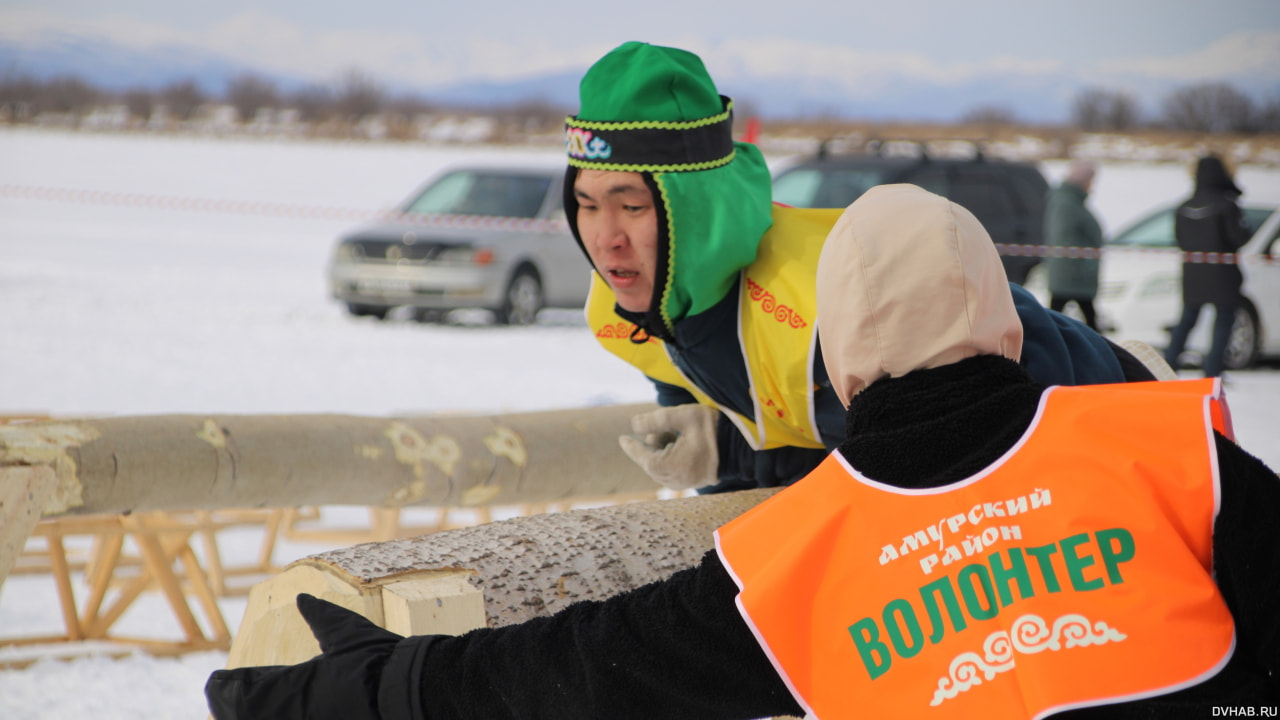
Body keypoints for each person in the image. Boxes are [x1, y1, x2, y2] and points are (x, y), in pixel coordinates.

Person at [205, 185, 1280, 720]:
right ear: (1008, 332)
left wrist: (333, 689)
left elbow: (557, 674)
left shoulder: (795, 560)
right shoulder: (1170, 448)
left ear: (839, 367)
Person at [563, 42, 1155, 496]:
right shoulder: (626, 309)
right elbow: (800, 468)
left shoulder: (826, 307)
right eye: (586, 206)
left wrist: (1144, 408)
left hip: (1109, 421)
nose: (605, 241)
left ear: (696, 213)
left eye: (633, 206)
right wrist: (720, 461)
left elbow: (931, 459)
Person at [1162, 154, 1252, 378]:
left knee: (1186, 320)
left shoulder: (1183, 206)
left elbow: (1179, 239)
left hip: (1193, 274)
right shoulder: (1227, 205)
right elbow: (1238, 237)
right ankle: (1212, 371)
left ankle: (1168, 365)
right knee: (1223, 322)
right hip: (1223, 275)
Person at [1044, 160, 1103, 330]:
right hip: (1072, 273)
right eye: (1091, 180)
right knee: (1087, 320)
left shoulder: (1068, 201)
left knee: (1056, 317)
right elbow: (1066, 238)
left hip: (1070, 272)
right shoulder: (1067, 203)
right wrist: (1084, 263)